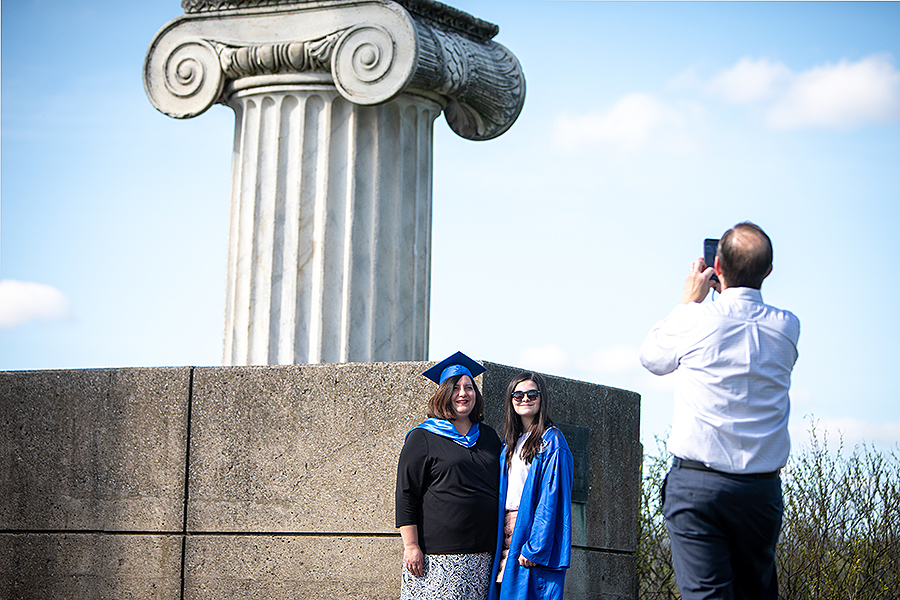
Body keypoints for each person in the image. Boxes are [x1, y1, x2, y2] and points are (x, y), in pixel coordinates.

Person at [639, 222, 800, 600]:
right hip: (760, 492)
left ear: (718, 267)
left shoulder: (695, 319)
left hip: (699, 487)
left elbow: (653, 358)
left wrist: (688, 301)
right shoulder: (787, 327)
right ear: (768, 271)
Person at [396, 351, 502, 600]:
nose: (463, 393)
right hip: (437, 555)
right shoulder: (423, 437)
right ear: (443, 394)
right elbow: (406, 494)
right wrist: (411, 546)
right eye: (455, 388)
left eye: (469, 387)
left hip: (483, 555)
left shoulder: (489, 437)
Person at [488, 371, 573, 600]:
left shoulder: (551, 441)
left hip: (528, 530)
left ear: (541, 398)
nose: (525, 399)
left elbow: (551, 498)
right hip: (506, 531)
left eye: (532, 394)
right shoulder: (510, 443)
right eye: (518, 395)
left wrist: (536, 545)